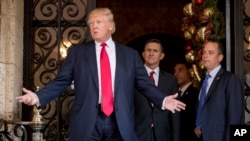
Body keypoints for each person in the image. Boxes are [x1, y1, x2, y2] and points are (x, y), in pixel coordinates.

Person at [16, 8, 185, 141]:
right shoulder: (77, 52)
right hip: (88, 119)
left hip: (120, 121)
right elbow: (62, 80)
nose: (94, 26)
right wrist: (38, 97)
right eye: (91, 23)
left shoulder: (129, 55)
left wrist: (162, 100)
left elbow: (143, 83)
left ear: (110, 25)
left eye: (98, 22)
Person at [194, 40, 244, 141]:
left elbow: (235, 117)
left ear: (220, 57)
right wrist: (199, 125)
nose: (205, 56)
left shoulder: (230, 79)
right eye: (204, 52)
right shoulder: (203, 80)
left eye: (210, 52)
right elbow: (204, 107)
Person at [134, 39, 180, 141]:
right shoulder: (133, 77)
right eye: (148, 50)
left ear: (162, 56)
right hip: (138, 134)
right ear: (143, 54)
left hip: (163, 135)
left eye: (155, 51)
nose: (151, 53)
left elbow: (175, 115)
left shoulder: (170, 80)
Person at [174, 62, 199, 141]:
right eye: (175, 71)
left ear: (189, 72)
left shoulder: (196, 93)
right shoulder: (173, 93)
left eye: (180, 70)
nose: (176, 74)